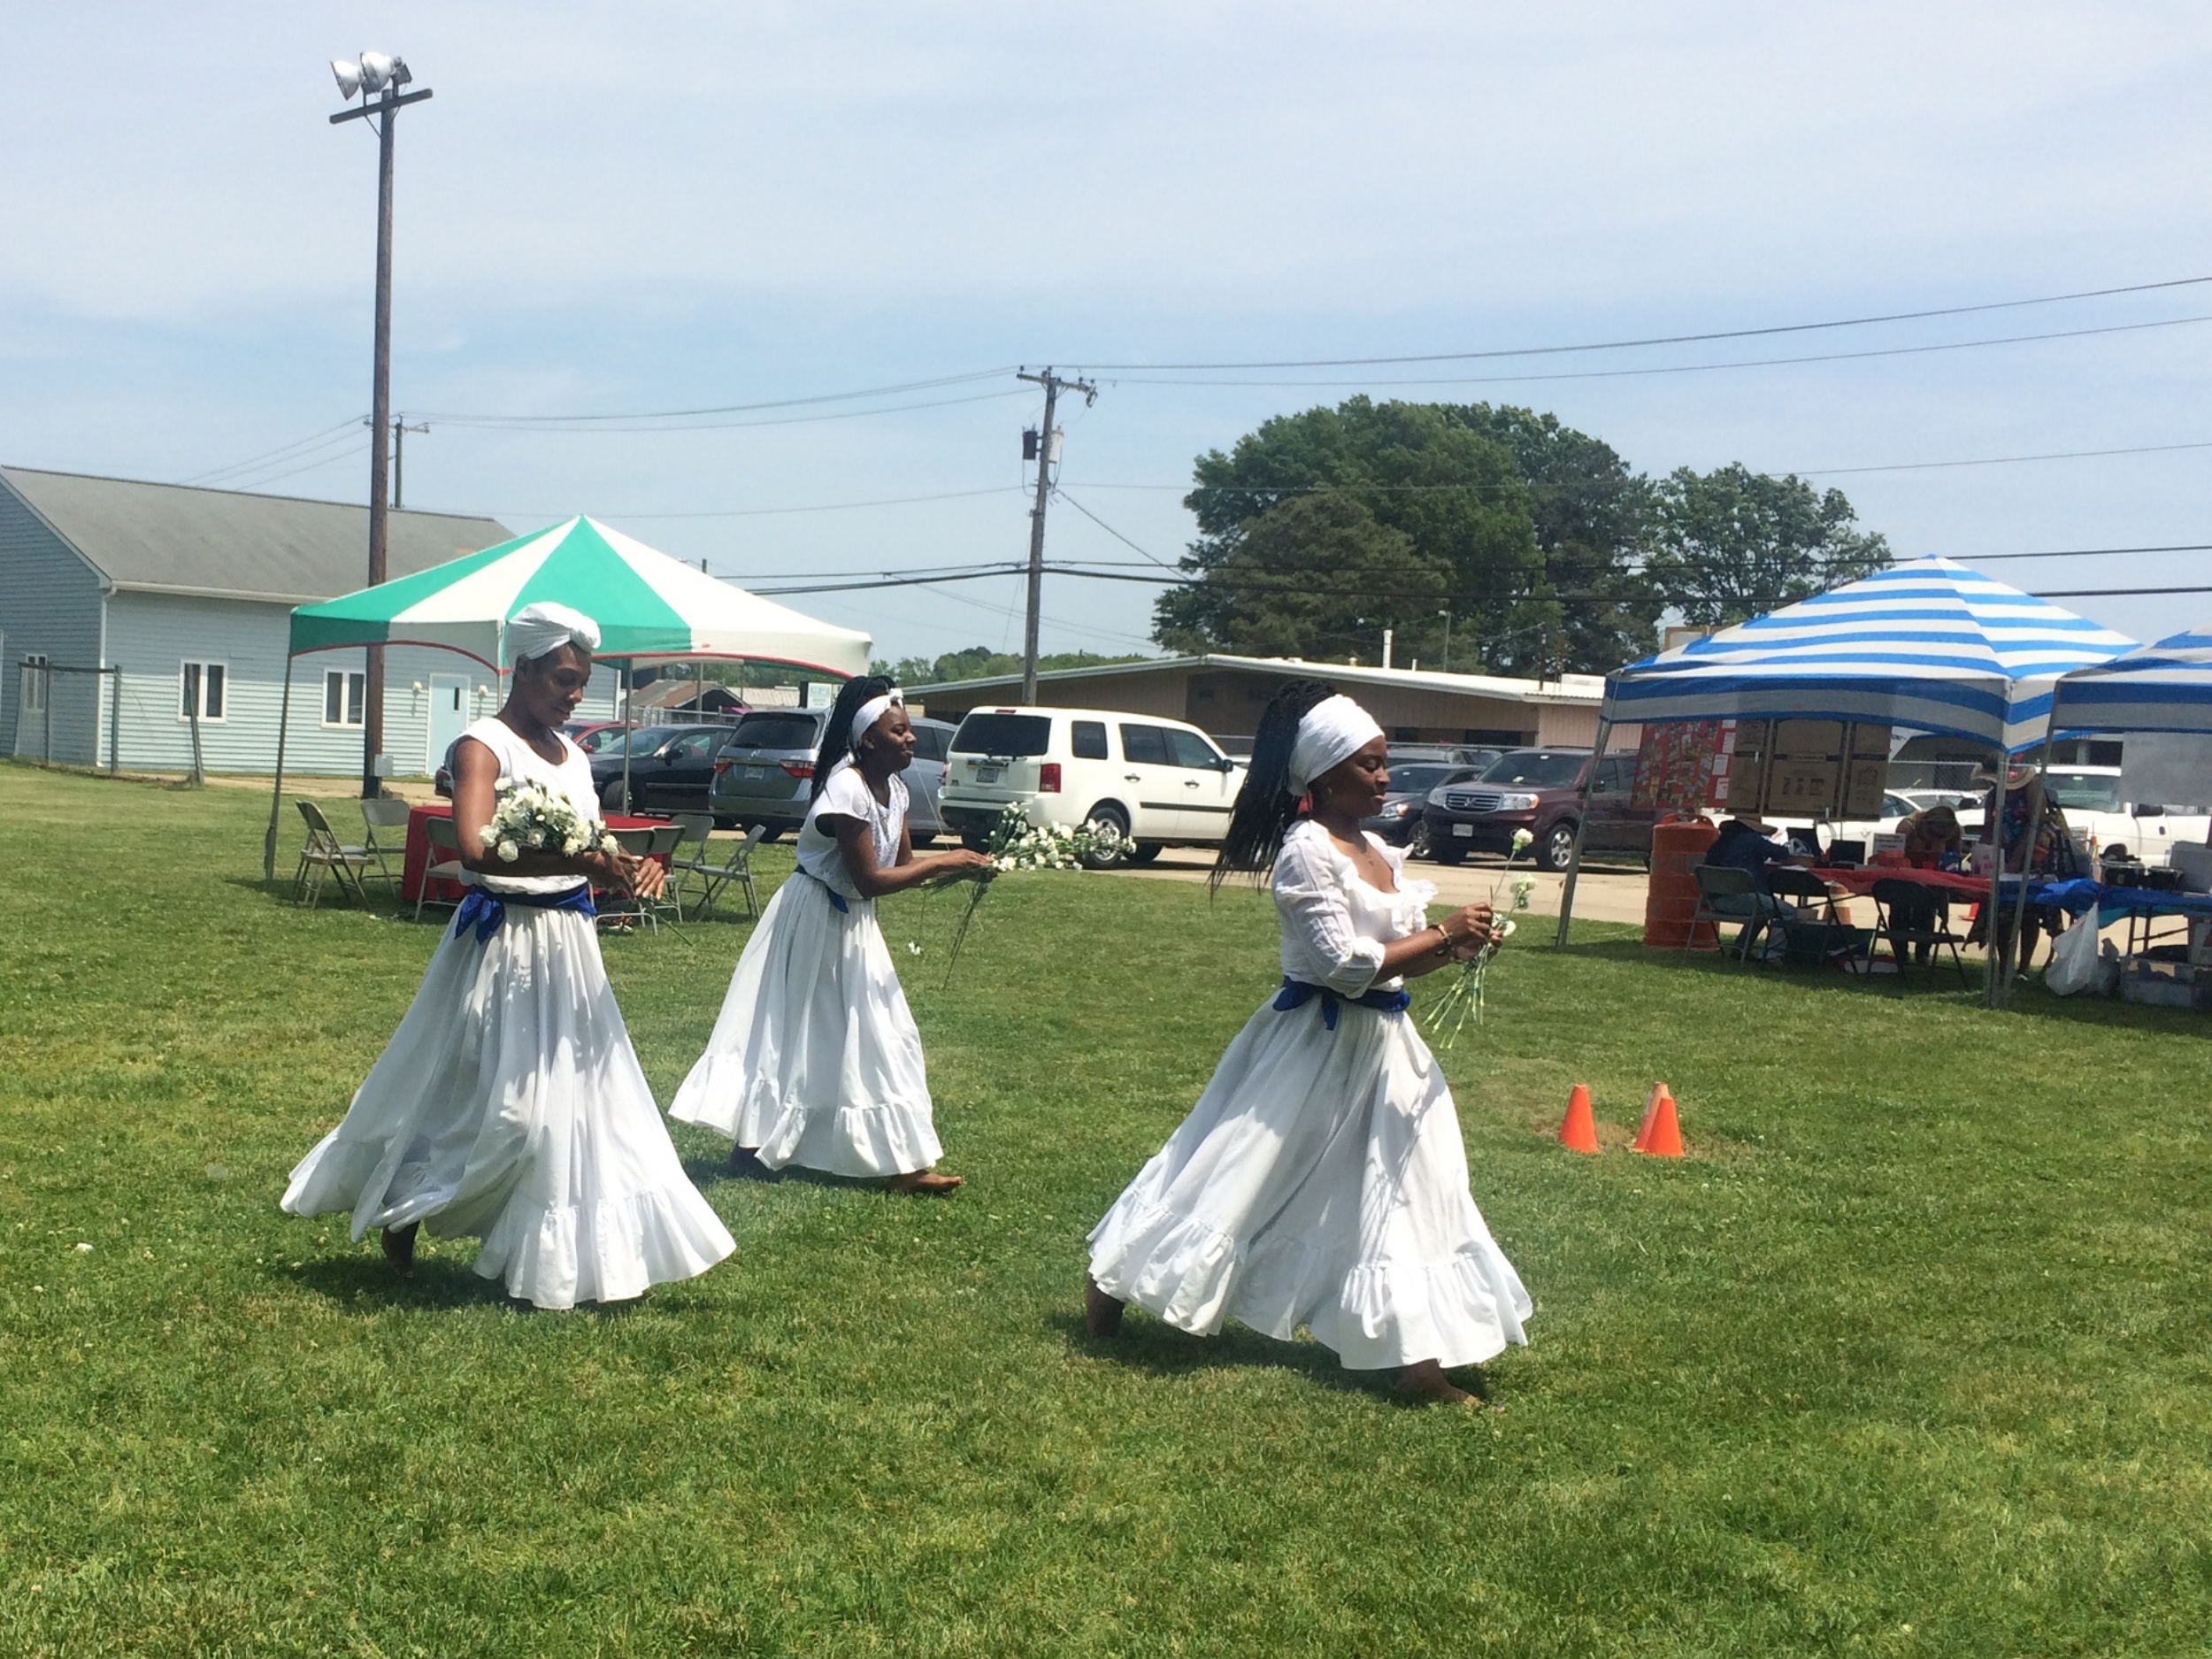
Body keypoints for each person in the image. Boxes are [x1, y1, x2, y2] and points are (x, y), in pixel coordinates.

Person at [1083, 681, 1532, 1404]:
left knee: (1414, 1186)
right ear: (1325, 776)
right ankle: (1115, 1277)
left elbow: (1398, 957)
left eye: (1385, 763)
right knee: (1234, 1174)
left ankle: (1415, 1362)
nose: (1385, 777)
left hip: (1388, 1052)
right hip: (1311, 1045)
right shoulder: (1307, 853)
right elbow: (1343, 966)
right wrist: (1442, 935)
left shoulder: (1379, 850)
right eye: (1371, 765)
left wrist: (1460, 946)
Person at [282, 603, 736, 1307]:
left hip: (571, 949)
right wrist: (582, 858)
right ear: (521, 669)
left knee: (592, 1106)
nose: (574, 693)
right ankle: (410, 1201)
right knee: (504, 1106)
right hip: (504, 943)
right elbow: (472, 846)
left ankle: (578, 1257)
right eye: (562, 678)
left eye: (581, 680)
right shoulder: (482, 745)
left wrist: (639, 865)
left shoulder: (577, 757)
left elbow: (597, 842)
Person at [670, 676, 992, 1194]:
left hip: (854, 922)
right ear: (868, 739)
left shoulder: (898, 790)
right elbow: (869, 879)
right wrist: (946, 860)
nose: (911, 739)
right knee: (791, 1030)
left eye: (910, 731)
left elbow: (901, 868)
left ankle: (898, 1163)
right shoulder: (847, 788)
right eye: (900, 731)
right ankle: (754, 1147)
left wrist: (963, 868)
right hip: (814, 916)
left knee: (881, 1033)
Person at [1899, 803, 1963, 869]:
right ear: (1923, 825)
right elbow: (1896, 859)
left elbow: (1956, 859)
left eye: (1941, 839)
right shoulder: (1907, 828)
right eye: (1934, 837)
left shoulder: (1955, 829)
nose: (1936, 843)